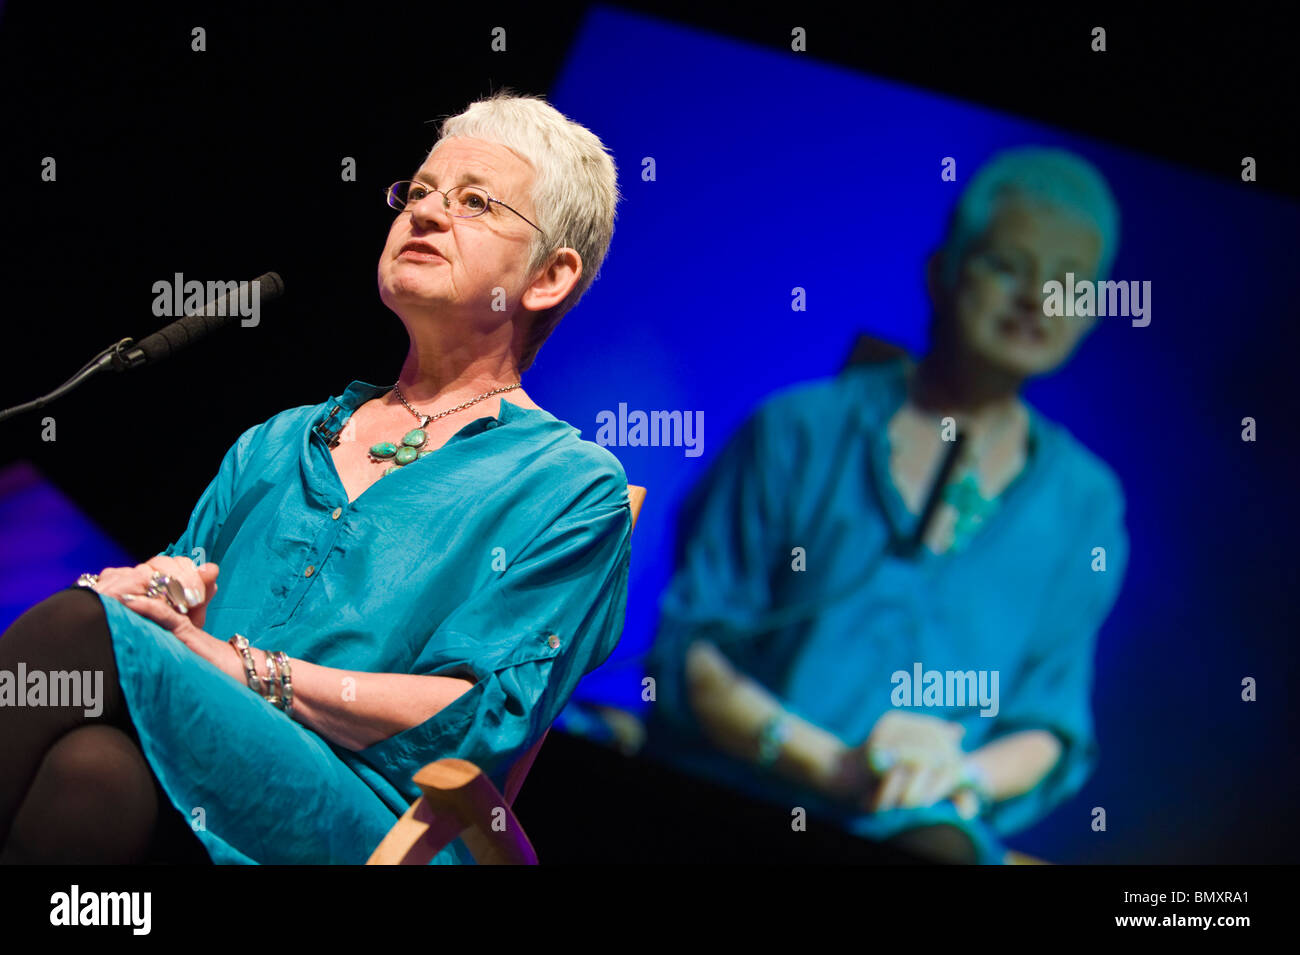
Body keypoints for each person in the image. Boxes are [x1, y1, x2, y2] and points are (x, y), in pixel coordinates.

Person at [0, 90, 631, 865]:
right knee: (91, 773)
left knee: (80, 628)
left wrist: (249, 669)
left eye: (475, 202)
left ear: (547, 278)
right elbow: (175, 616)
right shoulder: (281, 438)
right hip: (200, 784)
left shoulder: (569, 485)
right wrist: (154, 589)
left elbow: (476, 719)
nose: (426, 215)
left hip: (362, 811)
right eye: (419, 192)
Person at [644, 147, 1130, 864]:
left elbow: (1050, 722)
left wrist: (954, 773)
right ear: (942, 273)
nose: (1037, 300)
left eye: (1067, 283)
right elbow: (692, 654)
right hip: (747, 785)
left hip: (925, 826)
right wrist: (835, 766)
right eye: (1006, 265)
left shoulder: (1085, 503)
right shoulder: (798, 430)